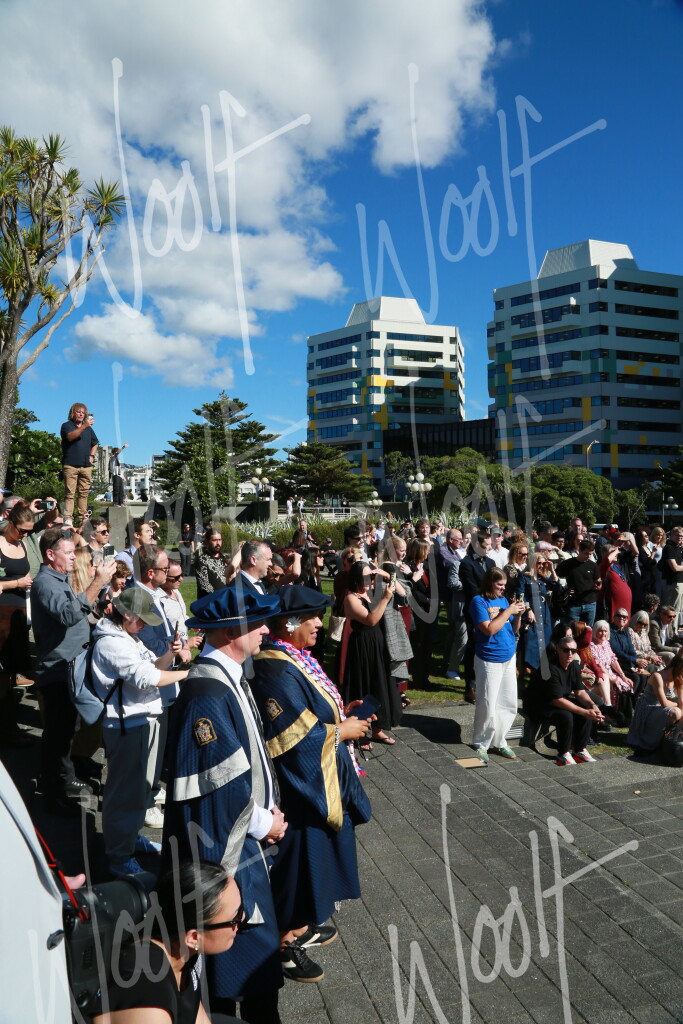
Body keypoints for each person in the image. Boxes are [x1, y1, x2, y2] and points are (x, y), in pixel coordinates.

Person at [162, 587, 286, 1023]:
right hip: (228, 852)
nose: (267, 630)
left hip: (244, 838)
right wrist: (264, 823)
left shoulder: (225, 677)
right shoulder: (206, 692)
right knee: (245, 970)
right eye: (259, 622)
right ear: (233, 630)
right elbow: (220, 787)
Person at [251, 587, 372, 982]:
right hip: (300, 788)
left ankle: (301, 924)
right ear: (289, 623)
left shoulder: (293, 656)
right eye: (312, 617)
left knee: (312, 863)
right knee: (296, 866)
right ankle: (282, 942)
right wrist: (341, 731)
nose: (321, 623)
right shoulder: (273, 668)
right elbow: (292, 737)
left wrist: (342, 713)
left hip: (317, 778)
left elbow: (310, 712)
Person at [91, 587, 189, 876]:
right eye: (142, 619)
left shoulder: (128, 637)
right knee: (124, 794)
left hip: (140, 720)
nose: (146, 624)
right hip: (126, 726)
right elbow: (147, 678)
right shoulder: (111, 644)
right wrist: (190, 673)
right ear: (126, 615)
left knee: (139, 791)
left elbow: (153, 667)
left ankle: (130, 840)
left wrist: (170, 655)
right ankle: (119, 857)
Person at [93, 859, 243, 1024]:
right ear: (194, 937)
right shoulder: (147, 990)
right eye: (235, 918)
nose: (243, 918)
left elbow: (197, 1018)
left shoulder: (183, 954)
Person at [31, 526, 116, 816]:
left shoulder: (60, 579)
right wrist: (96, 582)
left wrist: (98, 600)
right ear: (50, 554)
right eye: (67, 553)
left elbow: (76, 613)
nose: (73, 557)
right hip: (57, 672)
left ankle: (63, 780)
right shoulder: (45, 583)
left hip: (69, 669)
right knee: (57, 734)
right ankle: (52, 792)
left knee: (67, 730)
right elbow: (68, 615)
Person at [470, 567, 525, 763]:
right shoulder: (479, 601)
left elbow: (513, 629)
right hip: (488, 658)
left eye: (504, 585)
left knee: (508, 702)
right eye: (499, 585)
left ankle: (500, 741)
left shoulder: (503, 600)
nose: (503, 588)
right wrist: (509, 611)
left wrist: (518, 615)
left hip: (508, 655)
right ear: (489, 583)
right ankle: (481, 743)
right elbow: (489, 630)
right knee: (487, 703)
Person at [343, 561, 399, 746]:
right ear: (356, 578)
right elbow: (371, 620)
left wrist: (387, 575)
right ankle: (360, 733)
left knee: (378, 684)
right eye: (366, 576)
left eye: (371, 576)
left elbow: (403, 592)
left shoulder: (371, 593)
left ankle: (377, 729)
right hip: (362, 646)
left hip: (377, 644)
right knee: (363, 686)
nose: (370, 580)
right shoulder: (351, 598)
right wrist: (385, 598)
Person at [524, 637, 605, 766]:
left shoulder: (574, 665)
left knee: (585, 710)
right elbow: (557, 701)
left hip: (555, 701)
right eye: (566, 650)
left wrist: (592, 706)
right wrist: (585, 712)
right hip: (538, 705)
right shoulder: (549, 668)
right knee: (566, 715)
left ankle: (580, 750)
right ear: (558, 650)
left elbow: (580, 692)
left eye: (573, 650)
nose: (570, 653)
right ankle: (563, 754)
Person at [0, 501, 34, 745]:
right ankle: (6, 730)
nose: (25, 535)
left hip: (20, 613)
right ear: (10, 523)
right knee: (2, 674)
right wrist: (16, 583)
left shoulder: (22, 543)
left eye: (28, 532)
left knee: (12, 672)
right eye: (22, 530)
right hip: (2, 614)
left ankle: (10, 727)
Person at [459, 531, 495, 703]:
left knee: (490, 643)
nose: (489, 548)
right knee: (474, 645)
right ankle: (470, 685)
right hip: (476, 610)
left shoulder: (491, 562)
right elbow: (471, 589)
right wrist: (489, 599)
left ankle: (487, 682)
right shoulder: (466, 563)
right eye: (487, 545)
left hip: (494, 610)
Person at [627, 647, 683, 754]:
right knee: (676, 712)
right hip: (649, 708)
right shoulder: (658, 677)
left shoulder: (678, 678)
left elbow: (682, 701)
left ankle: (673, 740)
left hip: (663, 708)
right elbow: (664, 703)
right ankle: (657, 741)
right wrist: (677, 704)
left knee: (680, 712)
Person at [61, 401, 98, 525]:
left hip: (86, 466)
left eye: (83, 412)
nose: (81, 414)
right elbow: (70, 437)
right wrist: (84, 426)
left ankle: (83, 519)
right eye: (78, 412)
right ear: (73, 413)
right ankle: (68, 519)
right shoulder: (66, 426)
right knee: (70, 493)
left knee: (84, 493)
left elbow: (95, 443)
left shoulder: (89, 429)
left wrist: (91, 455)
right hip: (70, 465)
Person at [406, 537, 435, 690]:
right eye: (426, 550)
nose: (428, 553)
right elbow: (411, 590)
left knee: (427, 644)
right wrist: (428, 600)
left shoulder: (427, 566)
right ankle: (417, 677)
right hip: (417, 610)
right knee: (418, 644)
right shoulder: (407, 567)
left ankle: (425, 676)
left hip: (429, 610)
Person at [556, 539, 601, 626]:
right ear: (580, 550)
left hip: (590, 604)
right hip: (574, 605)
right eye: (586, 553)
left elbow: (598, 581)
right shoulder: (568, 564)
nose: (588, 556)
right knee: (572, 630)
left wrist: (598, 586)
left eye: (591, 554)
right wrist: (564, 591)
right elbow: (555, 578)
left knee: (588, 630)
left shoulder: (593, 565)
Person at [195, 528, 233, 600]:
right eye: (214, 540)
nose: (218, 543)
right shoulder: (202, 560)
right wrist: (221, 598)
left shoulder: (225, 558)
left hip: (227, 600)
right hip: (210, 602)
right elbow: (204, 586)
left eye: (220, 540)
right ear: (207, 542)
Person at [600, 544, 634, 621]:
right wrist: (616, 550)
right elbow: (607, 559)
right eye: (612, 551)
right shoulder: (604, 566)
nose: (616, 553)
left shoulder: (615, 566)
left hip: (624, 603)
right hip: (614, 603)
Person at [660, 526, 683, 625]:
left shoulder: (679, 547)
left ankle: (674, 630)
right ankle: (670, 631)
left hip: (679, 582)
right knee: (671, 610)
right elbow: (675, 568)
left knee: (678, 609)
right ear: (672, 535)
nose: (680, 538)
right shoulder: (669, 547)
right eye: (678, 535)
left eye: (682, 536)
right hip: (673, 583)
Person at [109, 441, 128, 507]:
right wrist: (123, 447)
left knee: (121, 490)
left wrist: (123, 477)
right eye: (117, 451)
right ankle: (115, 502)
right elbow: (117, 453)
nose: (118, 452)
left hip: (119, 476)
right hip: (115, 475)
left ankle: (121, 502)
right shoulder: (113, 458)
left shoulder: (117, 459)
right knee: (116, 489)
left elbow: (120, 468)